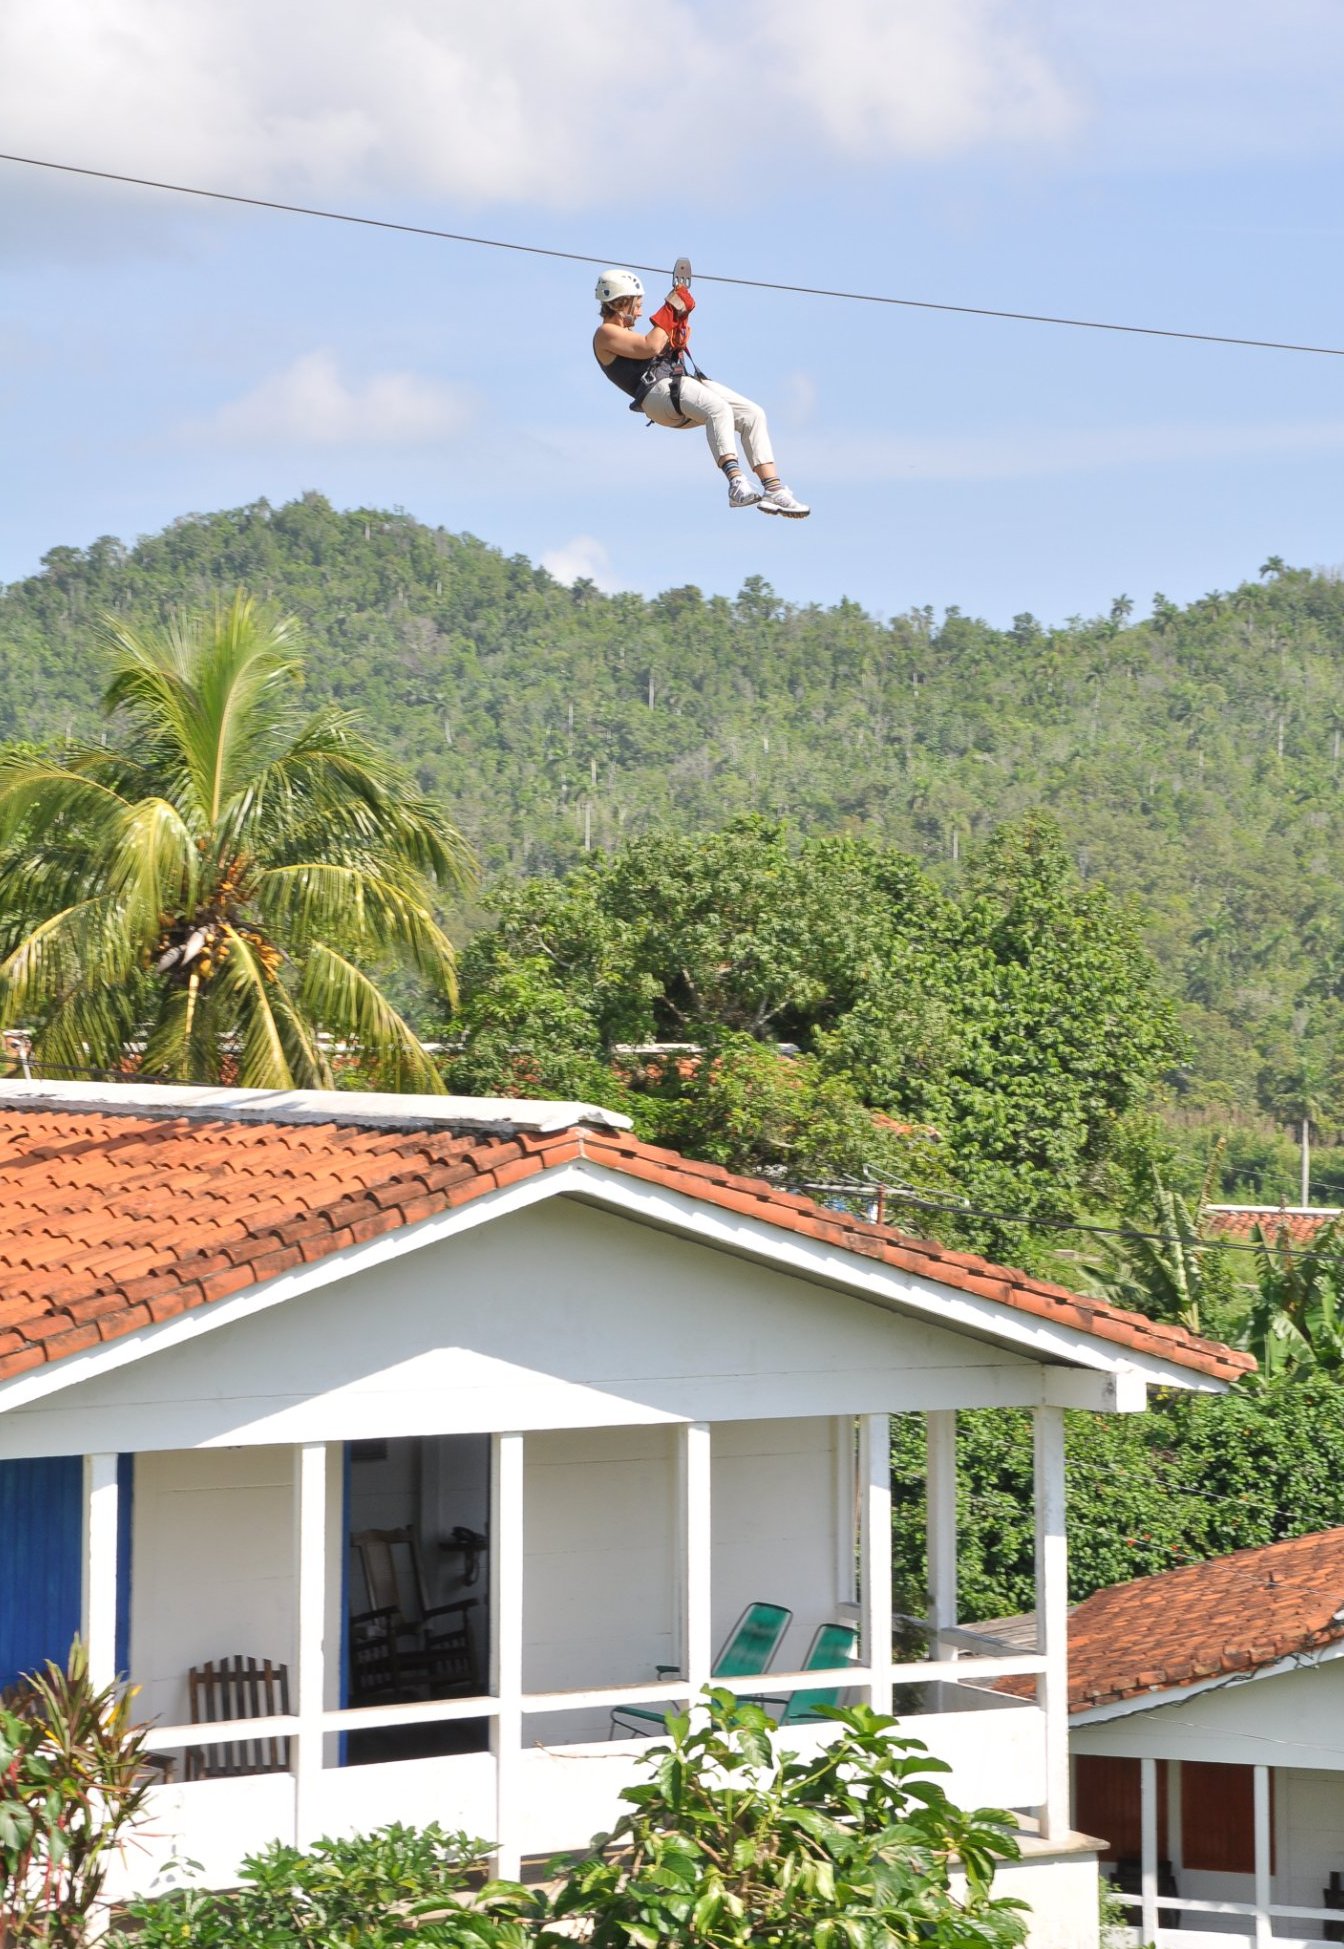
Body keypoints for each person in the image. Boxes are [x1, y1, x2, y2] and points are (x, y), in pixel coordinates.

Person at [592, 269, 810, 517]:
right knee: (719, 409)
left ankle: (774, 489)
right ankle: (736, 482)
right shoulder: (604, 334)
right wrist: (671, 307)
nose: (640, 311)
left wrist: (677, 325)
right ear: (623, 302)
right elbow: (649, 345)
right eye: (637, 304)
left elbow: (657, 343)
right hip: (659, 395)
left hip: (677, 388)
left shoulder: (625, 334)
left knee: (753, 414)